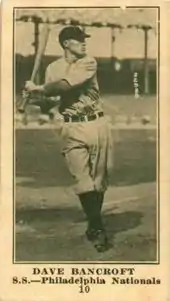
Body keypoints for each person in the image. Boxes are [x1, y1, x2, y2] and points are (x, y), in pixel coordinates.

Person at [25, 26, 113, 252]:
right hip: (72, 126)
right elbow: (50, 100)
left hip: (97, 124)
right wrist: (32, 98)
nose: (84, 43)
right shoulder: (53, 68)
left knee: (98, 182)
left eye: (84, 40)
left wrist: (39, 88)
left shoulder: (88, 63)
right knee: (82, 180)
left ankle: (94, 224)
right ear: (66, 44)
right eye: (78, 40)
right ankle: (98, 226)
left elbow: (64, 85)